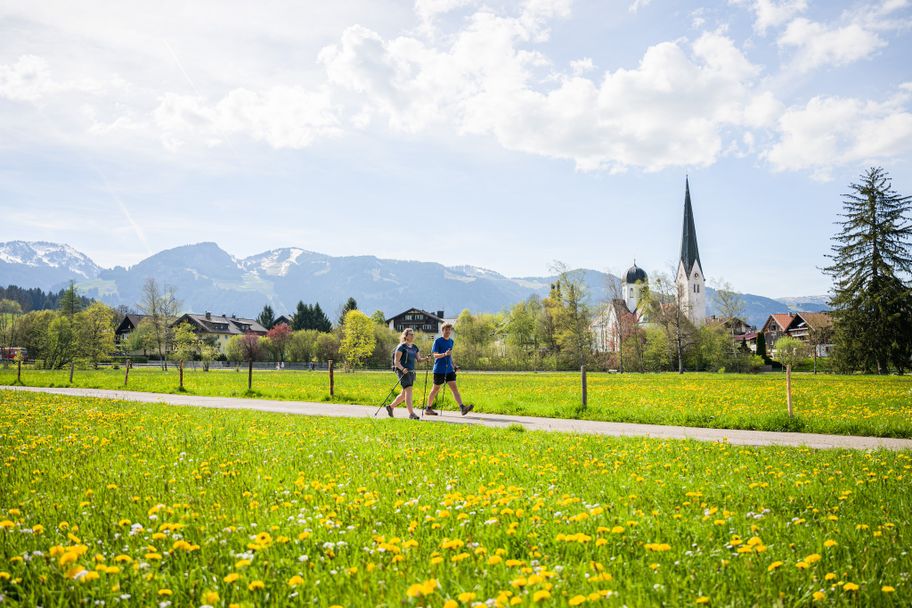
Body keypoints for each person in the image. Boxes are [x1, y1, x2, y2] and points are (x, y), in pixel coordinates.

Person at [425, 322, 473, 416]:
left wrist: (454, 366)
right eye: (446, 329)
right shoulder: (437, 341)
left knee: (454, 388)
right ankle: (428, 408)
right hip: (439, 369)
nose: (448, 331)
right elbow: (435, 355)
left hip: (449, 370)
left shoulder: (451, 341)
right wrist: (444, 354)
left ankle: (462, 408)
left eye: (449, 330)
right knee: (435, 389)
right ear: (442, 330)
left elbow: (450, 356)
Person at [386, 328, 428, 420]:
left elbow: (418, 359)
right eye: (410, 334)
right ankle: (411, 414)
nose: (412, 336)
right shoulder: (401, 347)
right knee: (409, 390)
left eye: (413, 334)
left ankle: (390, 407)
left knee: (404, 394)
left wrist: (425, 359)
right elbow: (396, 361)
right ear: (406, 336)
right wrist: (402, 369)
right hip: (402, 371)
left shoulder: (415, 347)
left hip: (411, 372)